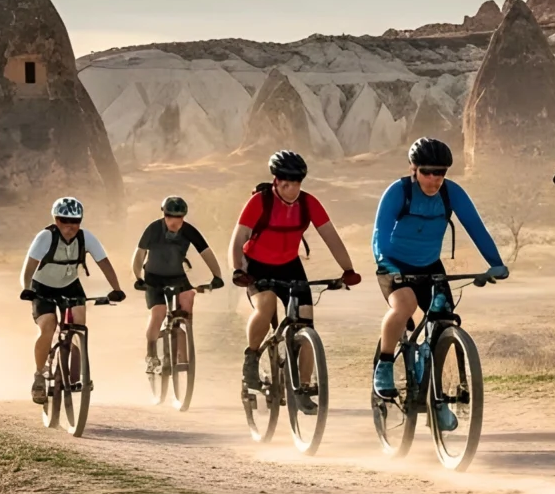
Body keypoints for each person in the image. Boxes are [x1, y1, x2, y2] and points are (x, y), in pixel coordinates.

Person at [369, 137, 508, 415]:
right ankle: (384, 365)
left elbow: (476, 229)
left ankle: (435, 395)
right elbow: (379, 236)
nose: (434, 179)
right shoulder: (398, 192)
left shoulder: (451, 193)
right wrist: (387, 265)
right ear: (413, 168)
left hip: (430, 265)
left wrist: (496, 263)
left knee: (444, 319)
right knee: (405, 306)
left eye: (440, 173)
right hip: (394, 264)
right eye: (427, 172)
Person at [229, 150, 358, 410]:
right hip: (257, 266)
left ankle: (303, 387)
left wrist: (348, 269)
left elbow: (331, 237)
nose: (292, 190)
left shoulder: (309, 203)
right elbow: (238, 238)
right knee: (265, 307)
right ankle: (251, 357)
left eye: (297, 183)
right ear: (276, 181)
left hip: (290, 265)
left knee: (306, 324)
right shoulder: (259, 201)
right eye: (286, 184)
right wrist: (238, 270)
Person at [21, 195, 127, 404]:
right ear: (56, 220)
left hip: (70, 285)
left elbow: (103, 262)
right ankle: (39, 376)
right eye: (65, 221)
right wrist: (27, 289)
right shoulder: (45, 238)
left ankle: (76, 376)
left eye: (76, 221)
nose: (70, 226)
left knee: (80, 324)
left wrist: (116, 289)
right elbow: (28, 268)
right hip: (42, 287)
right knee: (48, 326)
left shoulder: (86, 237)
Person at [134, 195, 226, 377]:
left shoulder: (189, 230)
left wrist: (217, 275)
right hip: (153, 278)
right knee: (158, 312)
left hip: (177, 276)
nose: (175, 223)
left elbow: (206, 252)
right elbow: (139, 255)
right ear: (164, 216)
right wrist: (138, 277)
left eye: (179, 219)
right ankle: (151, 354)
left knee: (188, 299)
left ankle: (181, 332)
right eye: (170, 219)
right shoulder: (153, 229)